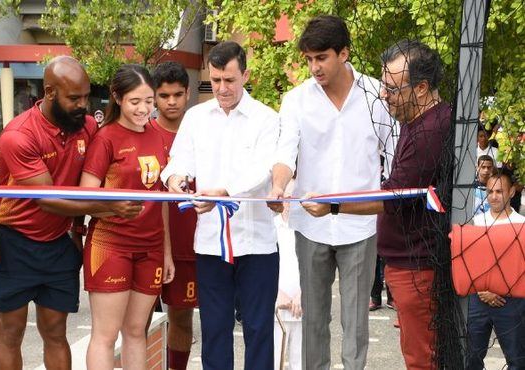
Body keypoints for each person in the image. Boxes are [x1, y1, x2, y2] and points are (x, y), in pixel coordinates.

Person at [300, 39, 451, 369]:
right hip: (408, 261)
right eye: (383, 86)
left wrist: (334, 205)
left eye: (393, 89)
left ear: (422, 88)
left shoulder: (431, 130)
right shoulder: (416, 123)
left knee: (422, 357)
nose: (384, 95)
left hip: (418, 265)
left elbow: (395, 197)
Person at [0, 56, 143, 370]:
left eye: (86, 96)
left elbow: (92, 174)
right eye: (74, 98)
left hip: (58, 243)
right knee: (11, 331)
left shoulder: (85, 126)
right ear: (49, 93)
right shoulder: (18, 135)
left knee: (55, 332)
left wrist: (75, 230)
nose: (83, 105)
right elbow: (48, 199)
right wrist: (110, 205)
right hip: (14, 242)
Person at [269, 15, 395, 370]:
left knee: (356, 323)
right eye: (308, 59)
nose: (314, 67)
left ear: (344, 53)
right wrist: (278, 186)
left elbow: (397, 153)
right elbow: (284, 153)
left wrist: (389, 201)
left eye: (321, 57)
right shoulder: (296, 100)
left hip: (360, 226)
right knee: (313, 322)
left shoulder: (376, 96)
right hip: (311, 229)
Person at [162, 41, 279, 370]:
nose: (222, 88)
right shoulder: (196, 118)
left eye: (229, 80)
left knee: (258, 329)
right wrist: (177, 180)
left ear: (245, 75)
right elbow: (176, 162)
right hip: (211, 243)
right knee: (214, 329)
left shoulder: (266, 119)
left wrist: (224, 192)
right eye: (215, 81)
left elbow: (263, 170)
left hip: (257, 242)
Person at [80, 64, 173, 370]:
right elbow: (86, 196)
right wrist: (114, 208)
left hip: (151, 247)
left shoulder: (157, 136)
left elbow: (161, 199)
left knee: (136, 332)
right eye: (135, 101)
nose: (144, 108)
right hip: (111, 245)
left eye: (149, 101)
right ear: (117, 98)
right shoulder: (106, 138)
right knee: (105, 335)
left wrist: (166, 253)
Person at [150, 61, 197, 370]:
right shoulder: (142, 133)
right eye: (164, 95)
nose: (171, 102)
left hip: (189, 246)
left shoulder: (202, 131)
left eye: (177, 95)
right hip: (146, 245)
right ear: (154, 96)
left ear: (188, 94)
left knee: (181, 317)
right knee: (138, 322)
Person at [467, 171, 525, 369]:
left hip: (512, 301)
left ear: (511, 193)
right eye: (490, 191)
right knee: (471, 358)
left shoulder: (522, 225)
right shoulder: (476, 222)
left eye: (499, 191)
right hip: (479, 298)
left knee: (517, 360)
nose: (493, 196)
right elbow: (469, 263)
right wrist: (482, 290)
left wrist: (501, 289)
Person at [273, 182, 302, 370]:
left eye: (294, 197)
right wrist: (277, 294)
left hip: (301, 306)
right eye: (286, 197)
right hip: (275, 306)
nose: (289, 202)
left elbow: (313, 265)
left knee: (299, 362)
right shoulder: (271, 226)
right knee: (274, 361)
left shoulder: (305, 228)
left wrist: (302, 294)